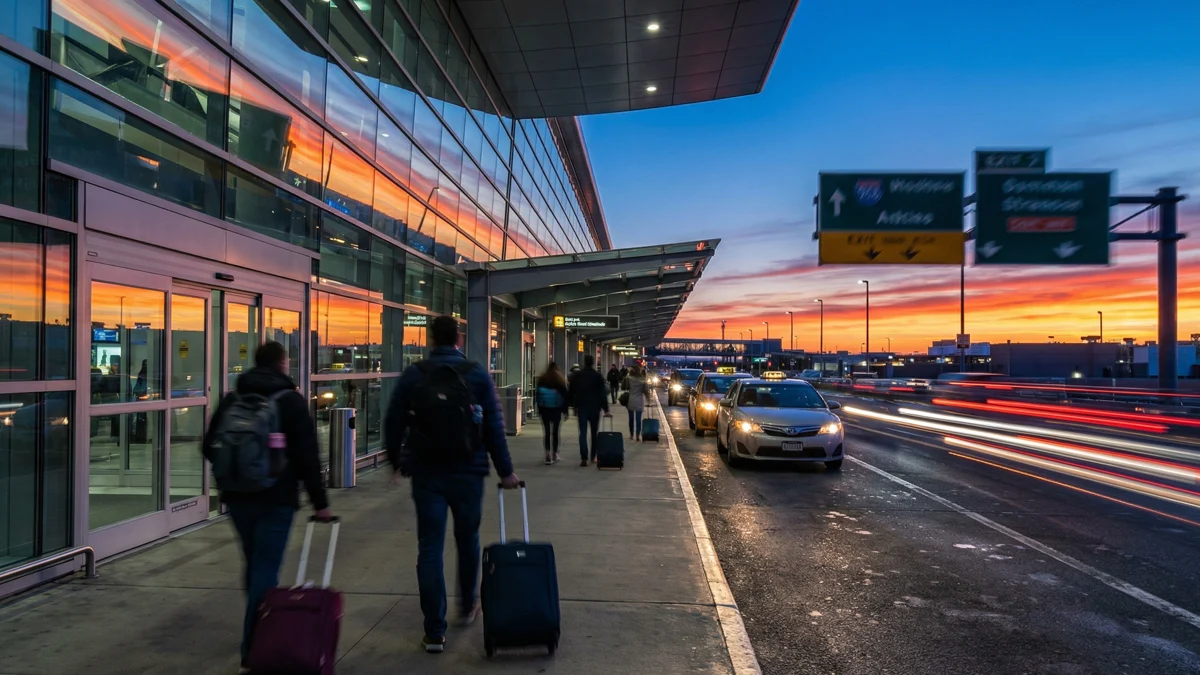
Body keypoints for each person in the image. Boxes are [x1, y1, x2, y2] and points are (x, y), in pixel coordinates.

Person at [385, 316, 520, 654]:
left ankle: (434, 631)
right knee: (468, 538)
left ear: (432, 340)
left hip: (428, 474)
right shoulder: (476, 374)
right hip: (468, 472)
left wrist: (397, 461)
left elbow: (394, 419)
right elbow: (493, 426)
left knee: (429, 547)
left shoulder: (415, 375)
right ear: (458, 339)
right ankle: (467, 606)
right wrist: (506, 471)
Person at [203, 341, 331, 669]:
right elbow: (307, 457)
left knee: (255, 563)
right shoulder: (290, 401)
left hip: (239, 499)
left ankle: (258, 625)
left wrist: (234, 473)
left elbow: (208, 445)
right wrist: (320, 503)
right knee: (265, 569)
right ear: (282, 364)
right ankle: (256, 646)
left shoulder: (235, 397)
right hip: (277, 499)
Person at [567, 354, 611, 466]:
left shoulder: (578, 376)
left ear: (584, 362)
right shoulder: (598, 376)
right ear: (593, 362)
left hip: (582, 407)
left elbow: (571, 391)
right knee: (594, 432)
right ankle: (593, 456)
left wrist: (571, 405)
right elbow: (602, 394)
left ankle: (584, 457)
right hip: (595, 408)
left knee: (582, 432)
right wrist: (606, 409)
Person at [535, 362, 570, 464]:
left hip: (545, 409)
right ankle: (555, 453)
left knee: (546, 432)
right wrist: (565, 411)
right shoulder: (559, 380)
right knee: (555, 432)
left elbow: (537, 396)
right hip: (556, 409)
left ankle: (547, 454)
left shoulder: (542, 379)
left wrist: (539, 409)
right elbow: (565, 397)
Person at [624, 364, 649, 441]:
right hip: (639, 400)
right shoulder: (643, 379)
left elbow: (624, 386)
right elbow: (646, 391)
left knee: (631, 419)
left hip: (631, 400)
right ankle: (638, 435)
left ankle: (631, 435)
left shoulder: (629, 378)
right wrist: (648, 398)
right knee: (638, 419)